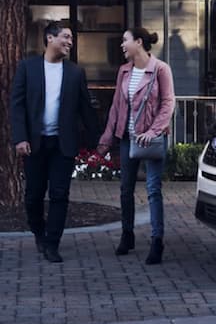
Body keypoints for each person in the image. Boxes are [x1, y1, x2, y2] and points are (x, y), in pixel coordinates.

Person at [10, 21, 99, 263]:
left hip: (63, 144)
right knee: (33, 196)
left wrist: (100, 139)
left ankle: (52, 243)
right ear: (50, 38)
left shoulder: (74, 72)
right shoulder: (28, 68)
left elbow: (85, 108)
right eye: (66, 37)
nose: (70, 42)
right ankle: (39, 233)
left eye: (71, 38)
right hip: (35, 144)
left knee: (60, 194)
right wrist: (20, 138)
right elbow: (16, 106)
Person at [97, 27, 175, 265]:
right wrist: (107, 137)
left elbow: (168, 103)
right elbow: (117, 107)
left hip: (150, 140)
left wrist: (152, 132)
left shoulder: (160, 69)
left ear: (138, 42)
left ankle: (156, 241)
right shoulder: (124, 71)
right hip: (127, 138)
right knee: (125, 189)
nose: (122, 45)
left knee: (152, 190)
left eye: (125, 40)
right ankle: (127, 234)